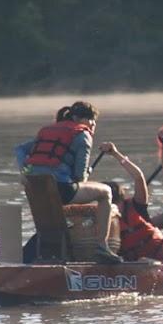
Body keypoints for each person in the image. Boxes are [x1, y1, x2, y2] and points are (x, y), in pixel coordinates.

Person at [16, 100, 122, 264]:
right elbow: (80, 177)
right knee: (105, 192)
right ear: (83, 119)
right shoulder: (83, 135)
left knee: (53, 215)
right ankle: (102, 247)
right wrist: (86, 174)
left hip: (35, 188)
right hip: (61, 188)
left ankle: (49, 253)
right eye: (92, 120)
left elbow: (20, 149)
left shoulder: (48, 131)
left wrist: (25, 171)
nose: (94, 125)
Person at [94, 141, 163, 262]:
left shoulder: (137, 205)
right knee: (144, 262)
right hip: (139, 264)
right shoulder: (100, 221)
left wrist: (115, 154)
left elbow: (138, 177)